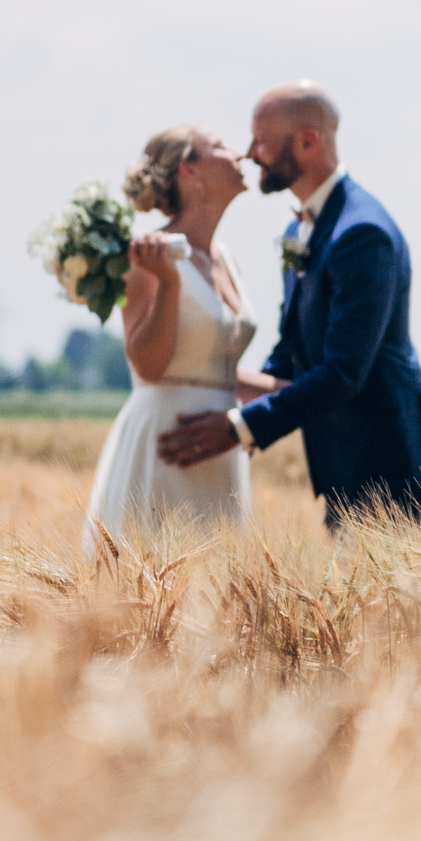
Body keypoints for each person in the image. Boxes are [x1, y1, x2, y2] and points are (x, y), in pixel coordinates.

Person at [158, 83, 421, 526]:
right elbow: (293, 350)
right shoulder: (305, 227)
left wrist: (240, 428)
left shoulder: (361, 233)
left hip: (385, 454)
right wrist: (213, 376)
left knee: (389, 594)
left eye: (260, 140)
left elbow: (342, 373)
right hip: (343, 449)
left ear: (307, 142)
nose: (250, 153)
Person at [83, 125, 268, 546]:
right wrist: (167, 283)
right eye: (220, 147)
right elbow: (147, 367)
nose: (239, 154)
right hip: (168, 444)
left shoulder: (227, 259)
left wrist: (304, 394)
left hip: (222, 448)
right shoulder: (148, 255)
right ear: (190, 171)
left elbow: (214, 369)